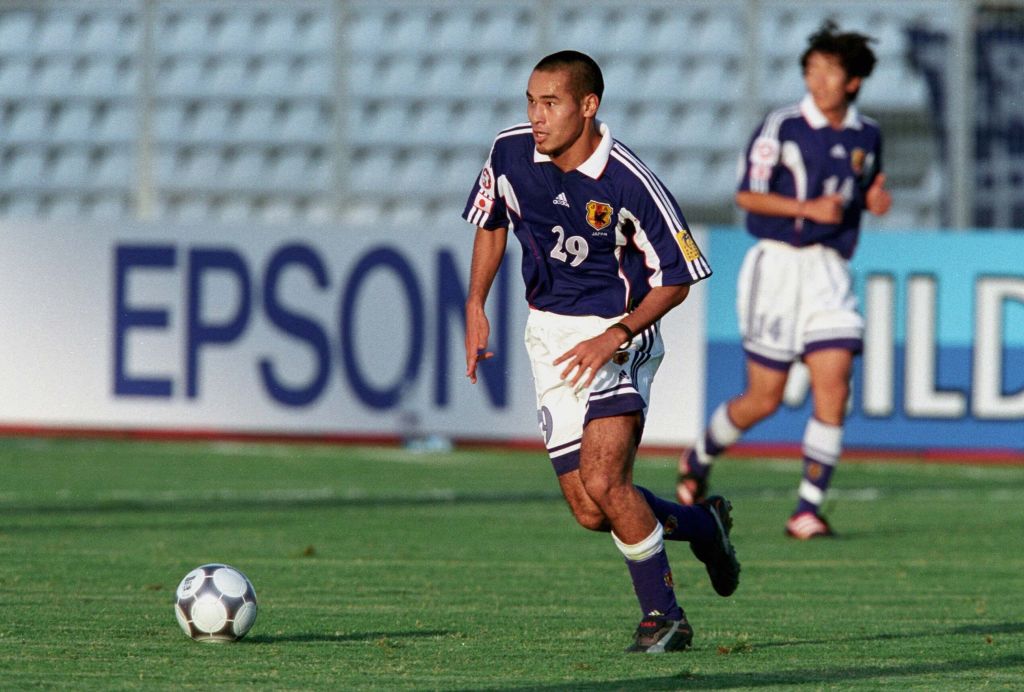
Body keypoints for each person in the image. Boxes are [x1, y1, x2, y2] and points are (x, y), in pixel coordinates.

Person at [462, 50, 739, 653]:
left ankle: (664, 618)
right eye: (531, 101)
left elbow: (679, 274)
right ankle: (700, 524)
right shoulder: (509, 152)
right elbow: (490, 219)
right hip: (550, 337)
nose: (537, 116)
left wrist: (616, 334)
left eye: (551, 102)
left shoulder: (628, 181)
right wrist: (476, 304)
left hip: (619, 332)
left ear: (588, 106)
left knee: (605, 477)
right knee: (592, 510)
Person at [676, 22, 893, 539]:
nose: (816, 80)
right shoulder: (783, 126)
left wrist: (876, 200)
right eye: (810, 70)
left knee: (834, 388)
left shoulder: (868, 134)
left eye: (828, 71)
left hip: (830, 273)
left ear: (853, 82)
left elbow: (864, 192)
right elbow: (748, 195)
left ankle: (806, 510)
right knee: (764, 398)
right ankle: (698, 460)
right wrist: (805, 208)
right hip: (776, 266)